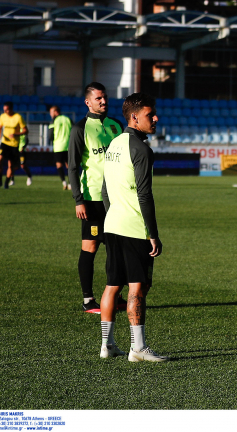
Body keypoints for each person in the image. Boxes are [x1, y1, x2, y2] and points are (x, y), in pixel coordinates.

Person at [99, 92, 167, 362]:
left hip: (112, 223)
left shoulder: (114, 143)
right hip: (133, 227)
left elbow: (104, 191)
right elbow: (144, 195)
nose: (156, 118)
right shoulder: (141, 149)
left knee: (112, 285)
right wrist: (153, 233)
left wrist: (113, 215)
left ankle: (107, 345)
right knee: (137, 287)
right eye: (151, 114)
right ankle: (138, 348)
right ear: (135, 117)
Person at [69, 82, 124, 314]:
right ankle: (88, 300)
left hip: (117, 198)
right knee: (90, 247)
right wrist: (78, 199)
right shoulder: (80, 129)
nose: (103, 101)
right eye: (98, 98)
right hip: (92, 198)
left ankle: (115, 296)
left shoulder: (116, 125)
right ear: (88, 102)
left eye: (105, 97)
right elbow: (73, 167)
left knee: (116, 249)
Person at [0, 101, 26, 189]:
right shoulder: (2, 116)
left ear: (11, 109)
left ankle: (6, 183)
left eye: (6, 110)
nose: (5, 112)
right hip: (5, 142)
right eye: (4, 110)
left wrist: (15, 134)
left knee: (10, 165)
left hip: (14, 144)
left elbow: (25, 130)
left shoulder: (18, 117)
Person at [49, 106, 72, 190]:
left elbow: (50, 135)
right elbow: (74, 130)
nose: (50, 114)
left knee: (59, 165)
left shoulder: (54, 121)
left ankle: (64, 182)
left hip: (58, 146)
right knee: (69, 165)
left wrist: (53, 139)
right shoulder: (68, 119)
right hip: (68, 145)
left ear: (56, 112)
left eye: (51, 112)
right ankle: (70, 184)